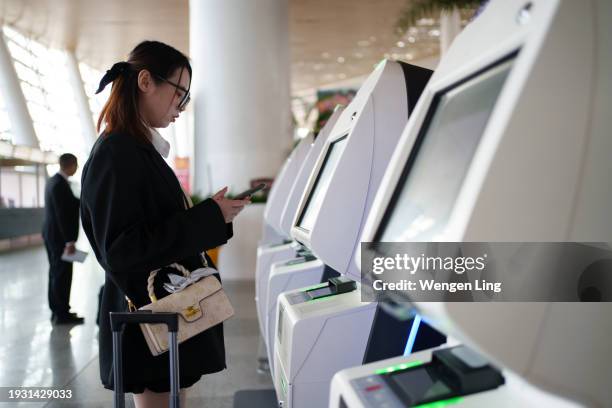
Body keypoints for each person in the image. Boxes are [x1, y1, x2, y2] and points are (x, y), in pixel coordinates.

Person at [80, 40, 249, 408]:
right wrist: (207, 219)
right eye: (179, 93)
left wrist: (211, 215)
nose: (181, 107)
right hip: (149, 323)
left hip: (160, 318)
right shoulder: (117, 152)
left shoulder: (134, 149)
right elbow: (123, 250)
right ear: (145, 81)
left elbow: (152, 227)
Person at [42, 153, 84, 325]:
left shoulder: (53, 181)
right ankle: (62, 314)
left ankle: (57, 311)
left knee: (55, 273)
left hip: (51, 235)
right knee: (62, 275)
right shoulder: (60, 184)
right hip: (60, 238)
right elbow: (62, 214)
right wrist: (69, 241)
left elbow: (69, 204)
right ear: (71, 165)